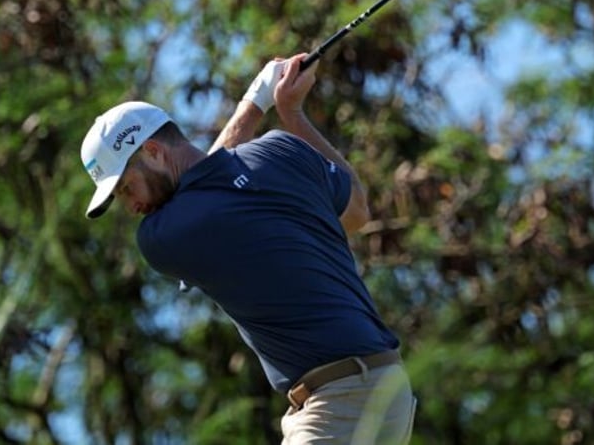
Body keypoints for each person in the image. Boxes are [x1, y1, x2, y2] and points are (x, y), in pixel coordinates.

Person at [80, 53, 416, 444]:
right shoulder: (281, 151)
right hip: (388, 391)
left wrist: (255, 105)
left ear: (153, 151)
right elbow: (356, 210)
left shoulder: (162, 235)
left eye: (126, 188)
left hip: (338, 403)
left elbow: (210, 185)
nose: (132, 206)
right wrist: (288, 113)